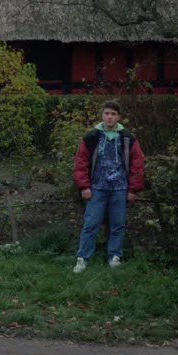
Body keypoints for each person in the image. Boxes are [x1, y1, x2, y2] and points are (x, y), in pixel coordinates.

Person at [71, 101, 146, 273]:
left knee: (117, 225)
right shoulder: (91, 137)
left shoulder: (127, 138)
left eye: (113, 114)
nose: (109, 117)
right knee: (91, 224)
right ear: (102, 115)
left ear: (118, 117)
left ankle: (115, 256)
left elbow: (138, 164)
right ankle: (82, 258)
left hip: (120, 189)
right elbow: (81, 162)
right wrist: (84, 186)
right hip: (96, 188)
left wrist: (133, 189)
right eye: (107, 113)